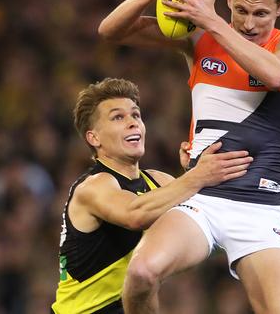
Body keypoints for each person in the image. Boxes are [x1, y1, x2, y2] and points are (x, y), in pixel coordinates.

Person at [98, 0, 280, 312]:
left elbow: (277, 75)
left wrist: (213, 21)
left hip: (259, 209)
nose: (248, 23)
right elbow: (111, 31)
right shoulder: (198, 39)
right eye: (241, 10)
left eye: (261, 13)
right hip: (202, 197)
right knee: (141, 274)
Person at [51, 78, 252, 313]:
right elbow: (134, 214)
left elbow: (208, 219)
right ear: (94, 138)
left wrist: (194, 170)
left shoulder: (158, 181)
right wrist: (195, 177)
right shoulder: (94, 186)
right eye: (118, 117)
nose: (132, 123)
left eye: (135, 115)